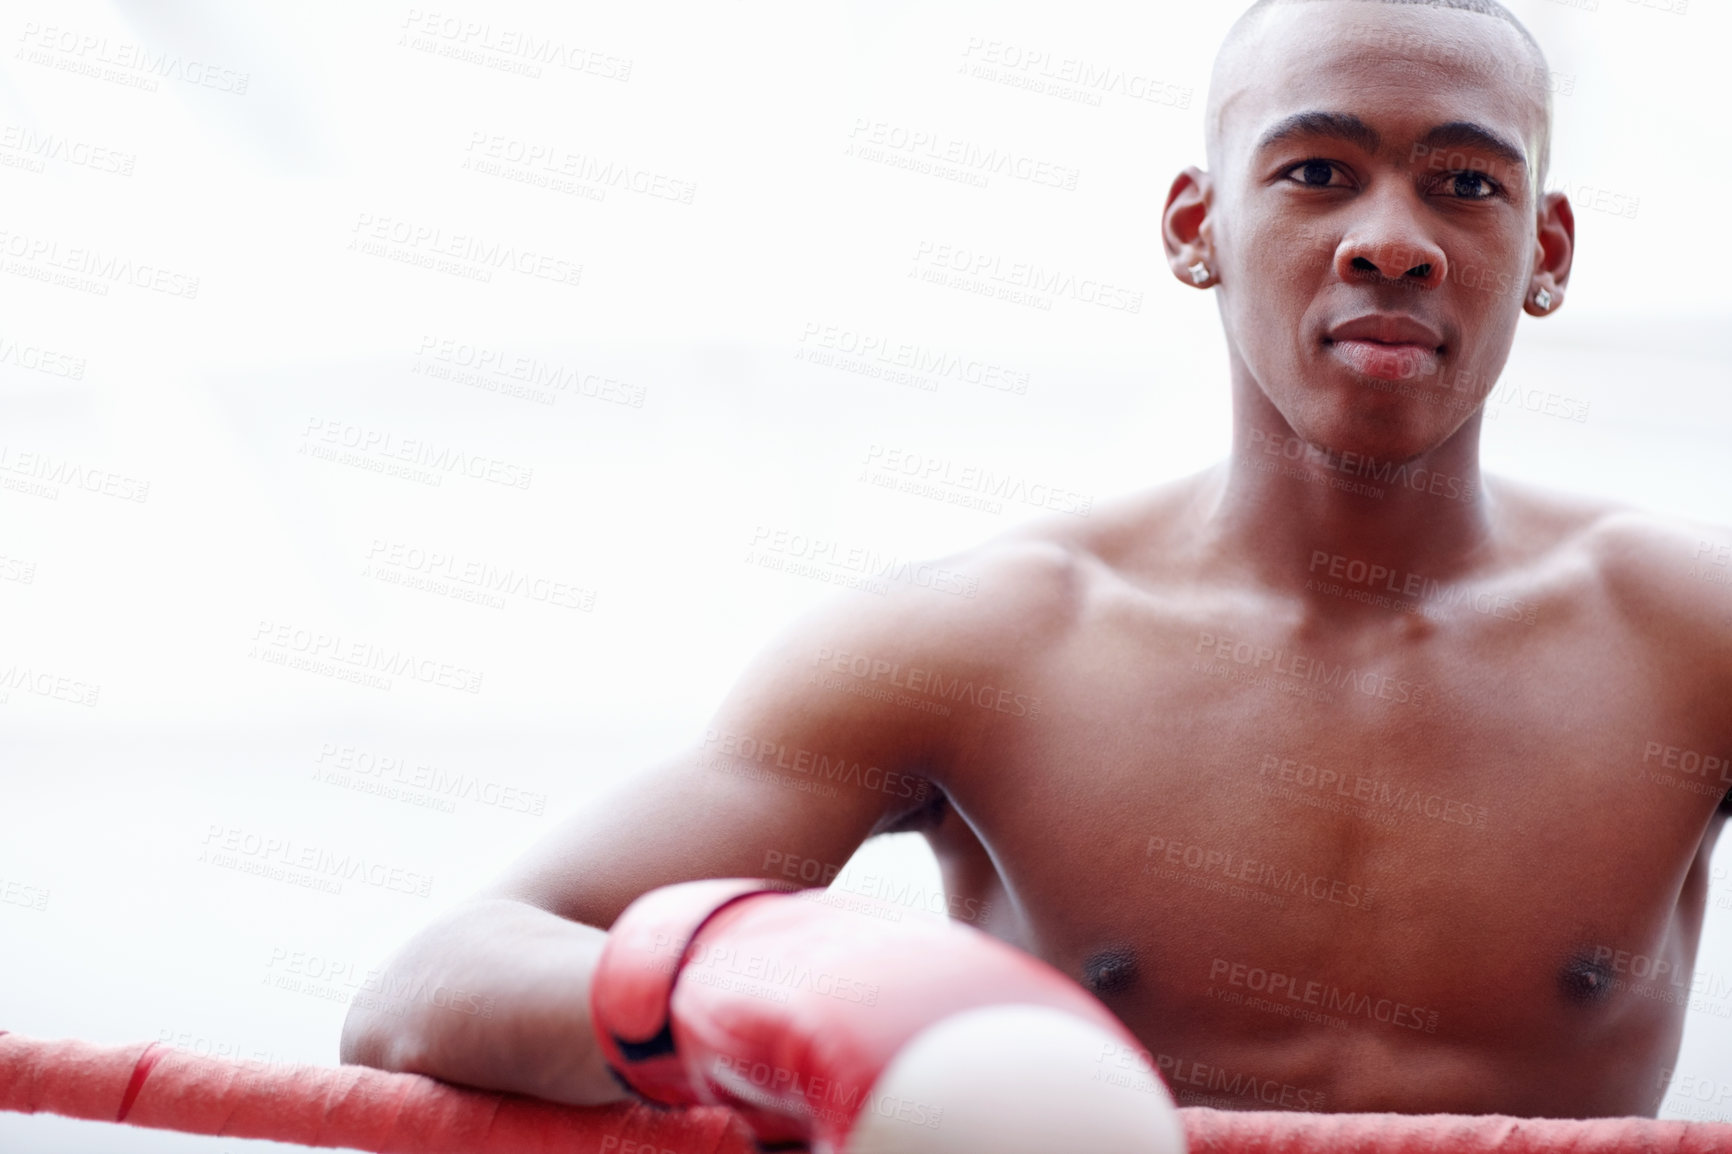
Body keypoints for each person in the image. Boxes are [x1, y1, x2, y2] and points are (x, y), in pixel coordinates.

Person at [342, 0, 1732, 1124]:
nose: (1390, 240)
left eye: (1467, 183)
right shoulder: (984, 646)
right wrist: (772, 993)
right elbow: (432, 980)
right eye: (1316, 171)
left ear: (1545, 249)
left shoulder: (1696, 640)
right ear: (1197, 227)